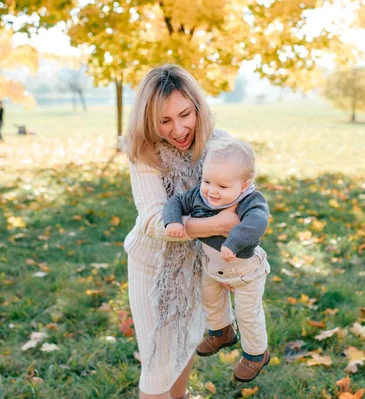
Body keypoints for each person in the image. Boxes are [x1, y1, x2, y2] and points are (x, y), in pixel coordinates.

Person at [122, 64, 240, 399]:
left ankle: (182, 396)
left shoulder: (220, 146)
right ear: (150, 121)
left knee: (186, 340)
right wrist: (215, 225)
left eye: (185, 114)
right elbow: (153, 220)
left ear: (198, 107)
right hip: (154, 269)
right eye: (165, 121)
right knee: (158, 366)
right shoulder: (143, 150)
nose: (178, 128)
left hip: (197, 265)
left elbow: (242, 200)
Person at [163, 137, 271, 382]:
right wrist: (173, 221)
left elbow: (257, 223)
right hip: (214, 267)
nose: (211, 190)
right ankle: (221, 331)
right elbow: (176, 202)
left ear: (244, 185)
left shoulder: (249, 201)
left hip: (245, 272)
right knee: (210, 300)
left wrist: (233, 242)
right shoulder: (201, 195)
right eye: (207, 181)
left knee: (248, 314)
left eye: (222, 187)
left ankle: (256, 354)